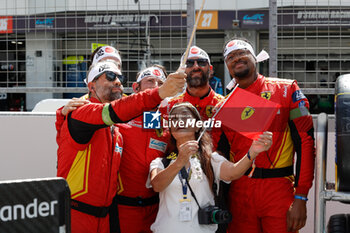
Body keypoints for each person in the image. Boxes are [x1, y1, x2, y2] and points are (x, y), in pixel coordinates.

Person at [56, 60, 186, 233]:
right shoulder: (82, 112)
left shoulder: (117, 130)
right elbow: (116, 110)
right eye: (109, 76)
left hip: (112, 216)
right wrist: (160, 92)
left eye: (119, 77)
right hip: (80, 213)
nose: (117, 81)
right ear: (91, 85)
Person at [220, 38, 315, 233]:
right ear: (228, 67)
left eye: (241, 53)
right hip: (239, 193)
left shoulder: (287, 89)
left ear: (255, 58)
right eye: (230, 57)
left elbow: (305, 142)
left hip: (278, 189)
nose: (236, 58)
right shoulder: (224, 104)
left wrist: (301, 196)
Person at [148, 102, 273, 233]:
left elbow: (233, 172)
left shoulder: (211, 159)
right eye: (173, 119)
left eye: (185, 116)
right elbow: (157, 185)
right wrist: (180, 161)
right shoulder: (161, 162)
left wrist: (252, 152)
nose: (179, 121)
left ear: (197, 127)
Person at [115, 65, 171, 233]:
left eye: (160, 82)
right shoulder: (119, 114)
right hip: (124, 208)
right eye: (150, 81)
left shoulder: (165, 121)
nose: (156, 86)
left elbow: (171, 154)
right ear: (135, 87)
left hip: (156, 208)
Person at [159, 45, 224, 121]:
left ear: (210, 69)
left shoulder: (224, 105)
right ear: (182, 70)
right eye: (189, 63)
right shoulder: (169, 107)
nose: (196, 67)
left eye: (201, 62)